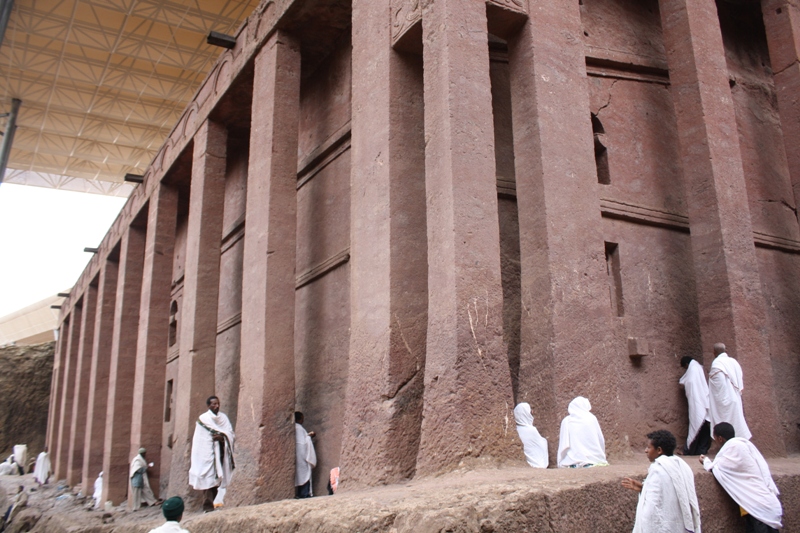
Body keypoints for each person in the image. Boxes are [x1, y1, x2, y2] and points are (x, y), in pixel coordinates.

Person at [700, 422, 782, 532]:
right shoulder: (744, 445)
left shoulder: (733, 447)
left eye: (714, 439)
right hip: (766, 503)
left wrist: (705, 462)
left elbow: (718, 468)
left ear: (720, 438)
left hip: (756, 506)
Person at [622, 430, 701, 533]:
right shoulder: (681, 466)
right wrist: (643, 488)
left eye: (649, 447)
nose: (646, 451)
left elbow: (651, 508)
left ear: (659, 450)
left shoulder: (658, 470)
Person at [189, 395, 235, 511]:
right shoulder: (204, 419)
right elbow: (201, 438)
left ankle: (217, 502)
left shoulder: (223, 418)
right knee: (209, 479)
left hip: (221, 452)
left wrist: (222, 437)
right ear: (209, 405)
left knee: (219, 479)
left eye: (218, 403)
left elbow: (230, 433)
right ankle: (207, 506)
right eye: (214, 404)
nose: (216, 406)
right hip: (207, 453)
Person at [708, 343, 751, 441]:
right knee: (737, 423)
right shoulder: (734, 362)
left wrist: (720, 402)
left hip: (725, 402)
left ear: (714, 352)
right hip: (735, 398)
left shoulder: (717, 363)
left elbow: (719, 388)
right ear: (725, 351)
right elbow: (739, 381)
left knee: (725, 428)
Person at [557, 396, 608, 468]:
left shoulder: (566, 421)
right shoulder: (591, 418)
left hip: (572, 459)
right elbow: (600, 439)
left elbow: (563, 444)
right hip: (594, 458)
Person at [679, 356, 712, 455]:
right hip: (704, 401)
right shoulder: (698, 368)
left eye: (685, 368)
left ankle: (689, 450)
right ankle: (701, 450)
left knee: (696, 426)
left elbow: (690, 383)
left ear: (686, 365)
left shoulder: (693, 370)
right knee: (703, 428)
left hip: (697, 402)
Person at [513, 402, 548, 468]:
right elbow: (542, 444)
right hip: (538, 464)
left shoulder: (516, 430)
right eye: (530, 412)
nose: (532, 413)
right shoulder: (531, 430)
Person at [295, 411, 317, 498]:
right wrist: (309, 436)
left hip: (297, 456)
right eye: (302, 419)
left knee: (299, 476)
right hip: (302, 455)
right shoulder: (299, 428)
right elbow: (303, 442)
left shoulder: (293, 428)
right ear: (299, 419)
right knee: (305, 475)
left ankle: (300, 493)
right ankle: (305, 494)